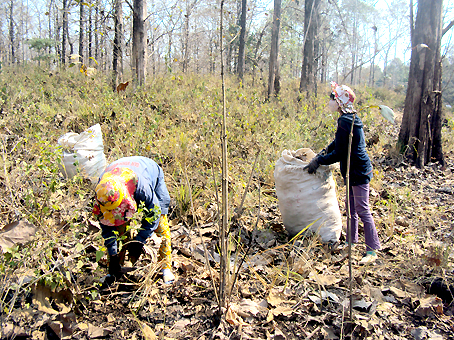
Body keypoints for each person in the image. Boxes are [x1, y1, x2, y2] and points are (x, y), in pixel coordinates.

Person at [304, 82, 380, 264]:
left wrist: (319, 160)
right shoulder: (349, 118)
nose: (330, 102)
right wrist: (324, 151)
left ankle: (372, 250)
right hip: (352, 170)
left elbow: (339, 153)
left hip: (358, 171)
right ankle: (351, 243)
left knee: (362, 209)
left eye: (333, 98)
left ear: (340, 102)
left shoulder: (345, 121)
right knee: (351, 208)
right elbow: (337, 142)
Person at [92, 156, 175, 284]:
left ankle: (166, 269)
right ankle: (114, 270)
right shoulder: (102, 192)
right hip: (121, 170)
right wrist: (112, 253)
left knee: (161, 224)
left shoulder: (142, 187)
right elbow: (107, 227)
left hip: (150, 171)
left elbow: (155, 212)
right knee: (118, 229)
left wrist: (140, 240)